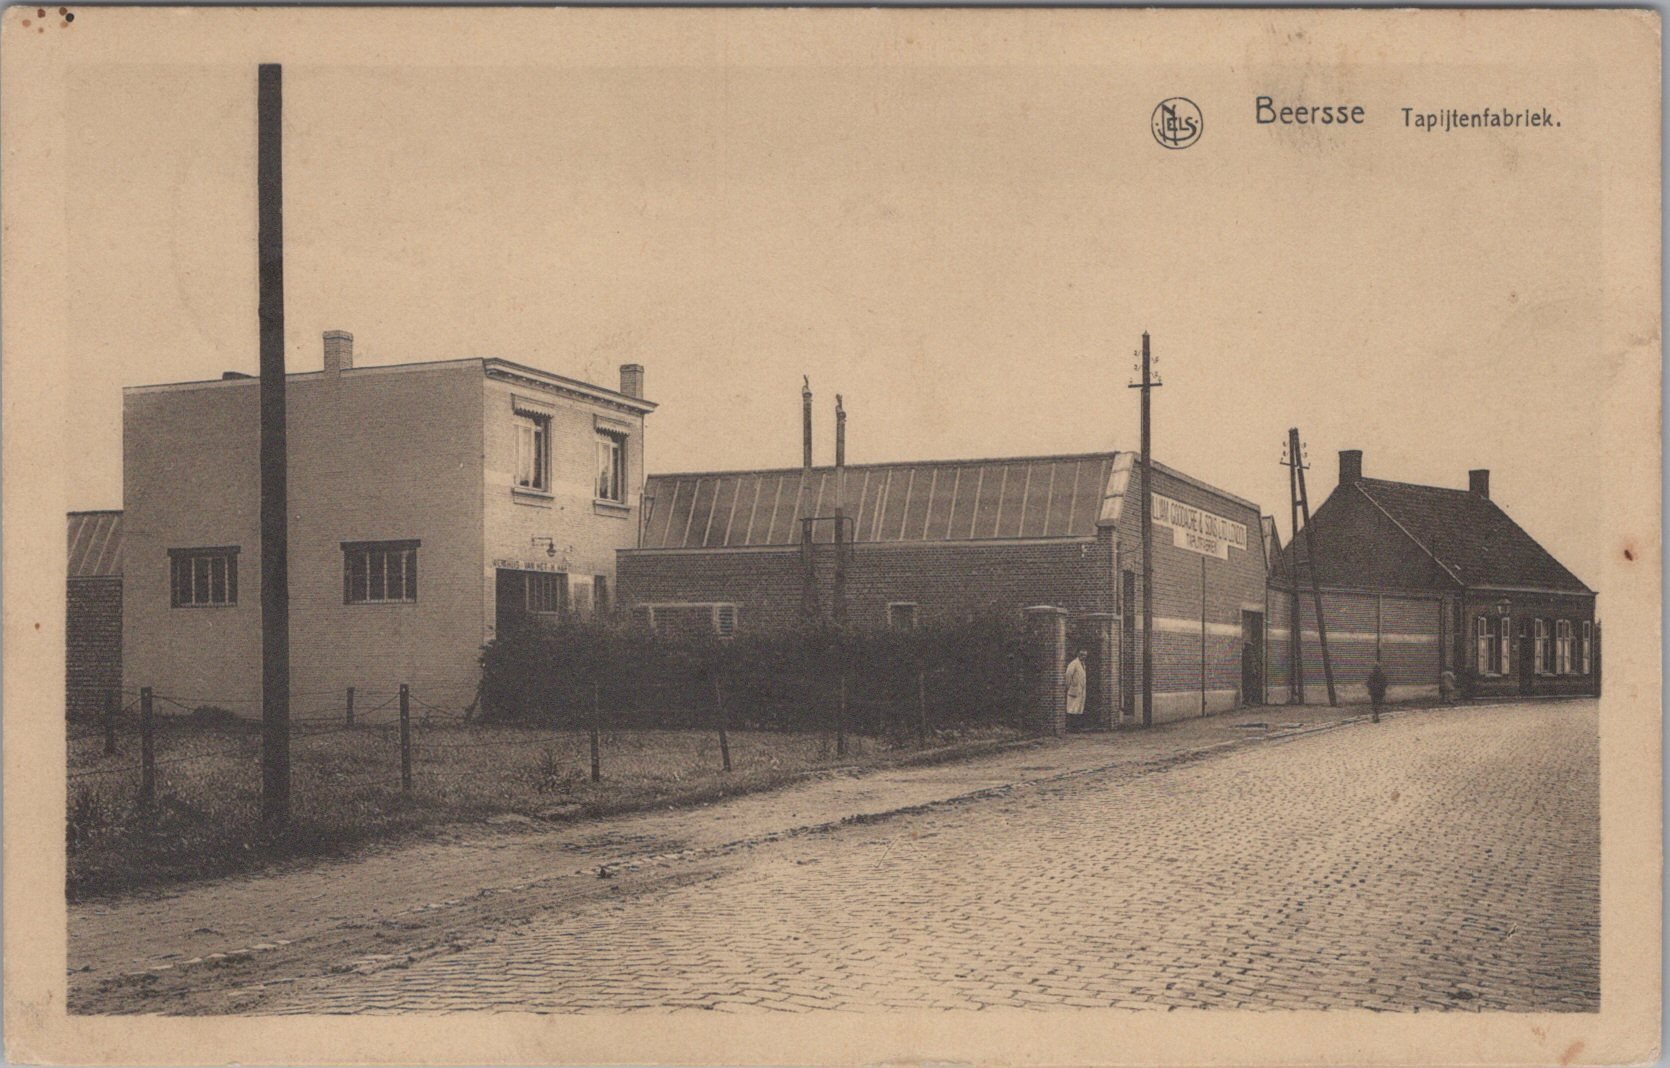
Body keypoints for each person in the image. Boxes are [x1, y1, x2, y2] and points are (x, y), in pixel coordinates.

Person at [1065, 650, 1088, 722]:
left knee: (1079, 709)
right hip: (1074, 690)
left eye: (1085, 655)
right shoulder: (1073, 663)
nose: (1083, 657)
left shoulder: (1083, 664)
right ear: (1078, 655)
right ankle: (1072, 725)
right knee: (1072, 709)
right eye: (1082, 655)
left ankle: (1077, 725)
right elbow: (1068, 675)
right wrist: (1069, 686)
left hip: (1081, 690)